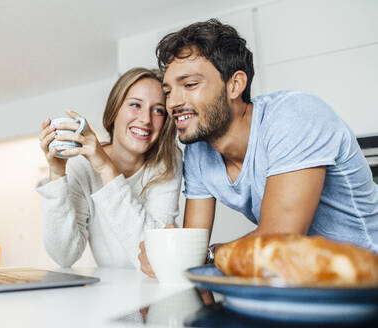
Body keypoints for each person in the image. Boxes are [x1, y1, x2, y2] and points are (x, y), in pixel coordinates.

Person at [139, 18, 378, 276]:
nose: (173, 102)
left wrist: (205, 255)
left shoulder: (295, 116)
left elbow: (278, 241)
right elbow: (192, 246)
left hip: (366, 282)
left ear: (235, 85)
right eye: (168, 90)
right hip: (299, 285)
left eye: (189, 85)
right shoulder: (198, 153)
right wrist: (167, 252)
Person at [37, 67, 182, 269]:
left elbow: (154, 253)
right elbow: (64, 256)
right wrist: (57, 174)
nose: (146, 119)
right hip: (110, 291)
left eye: (158, 110)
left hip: (157, 286)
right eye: (135, 105)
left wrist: (106, 169)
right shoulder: (82, 167)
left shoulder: (167, 161)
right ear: (114, 111)